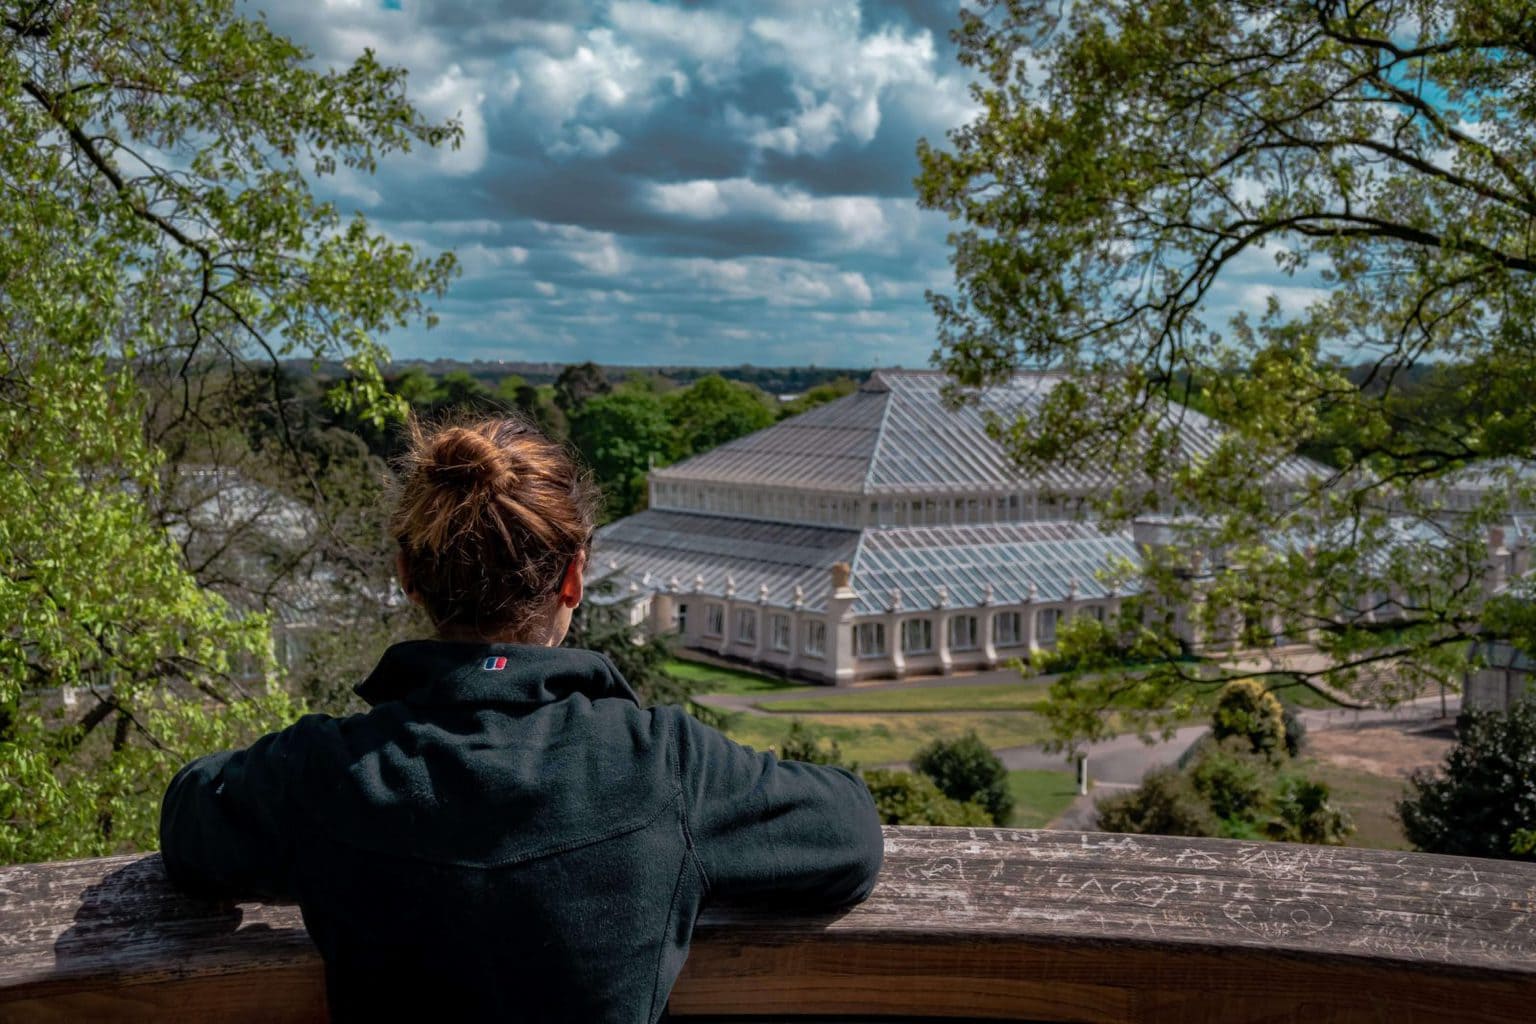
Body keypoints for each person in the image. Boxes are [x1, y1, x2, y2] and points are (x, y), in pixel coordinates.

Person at [159, 416, 884, 1023]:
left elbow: (190, 822)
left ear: (408, 576)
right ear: (574, 577)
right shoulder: (664, 766)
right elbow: (850, 833)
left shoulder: (324, 772)